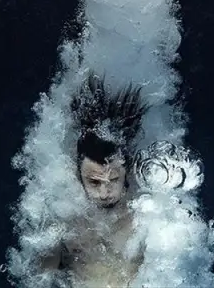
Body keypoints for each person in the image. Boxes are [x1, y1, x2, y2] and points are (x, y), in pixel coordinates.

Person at [38, 74, 149, 288]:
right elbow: (38, 278)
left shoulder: (145, 217)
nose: (105, 192)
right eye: (94, 182)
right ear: (78, 176)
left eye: (113, 179)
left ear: (127, 173)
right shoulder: (65, 223)